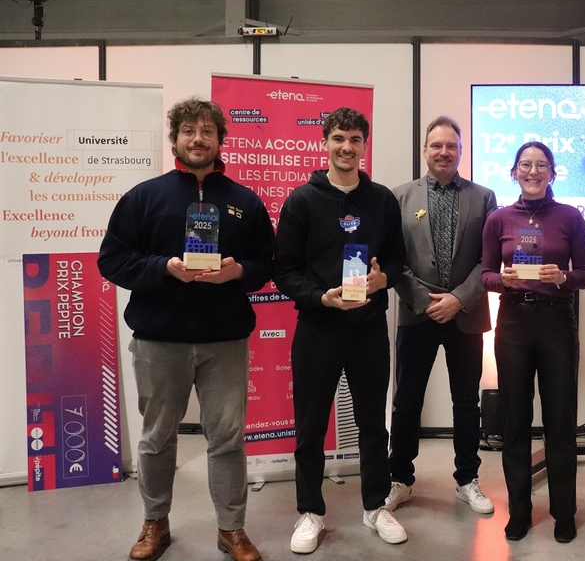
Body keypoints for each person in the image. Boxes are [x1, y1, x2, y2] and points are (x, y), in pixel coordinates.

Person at [98, 97, 275, 561]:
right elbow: (112, 260)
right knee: (157, 438)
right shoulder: (144, 197)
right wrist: (164, 268)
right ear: (175, 139)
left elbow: (267, 263)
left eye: (207, 131)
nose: (198, 139)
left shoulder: (244, 201)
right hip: (160, 340)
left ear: (220, 141)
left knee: (228, 438)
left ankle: (231, 529)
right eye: (189, 131)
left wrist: (238, 272)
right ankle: (155, 522)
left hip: (225, 340)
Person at [273, 107, 408, 554]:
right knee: (310, 427)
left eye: (354, 139)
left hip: (368, 328)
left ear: (364, 145)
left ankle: (375, 506)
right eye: (338, 138)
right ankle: (310, 512)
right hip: (318, 328)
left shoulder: (382, 200)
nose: (346, 147)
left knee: (372, 424)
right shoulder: (301, 201)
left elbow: (396, 260)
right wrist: (320, 297)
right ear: (324, 143)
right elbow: (284, 270)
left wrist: (384, 279)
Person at [481, 141, 585, 543]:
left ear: (552, 173)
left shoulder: (570, 217)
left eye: (541, 165)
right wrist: (503, 280)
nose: (533, 171)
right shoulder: (498, 219)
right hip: (513, 321)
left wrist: (563, 277)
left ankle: (564, 512)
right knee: (515, 421)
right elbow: (486, 275)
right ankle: (520, 511)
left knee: (560, 421)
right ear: (514, 172)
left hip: (557, 320)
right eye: (525, 165)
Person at [386, 116, 498, 515]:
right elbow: (394, 260)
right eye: (436, 145)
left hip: (466, 316)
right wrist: (427, 301)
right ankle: (400, 478)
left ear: (461, 151)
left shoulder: (484, 198)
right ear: (425, 150)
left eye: (451, 146)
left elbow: (489, 259)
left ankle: (467, 479)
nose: (444, 152)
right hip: (418, 315)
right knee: (407, 401)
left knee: (466, 402)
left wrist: (458, 299)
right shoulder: (399, 197)